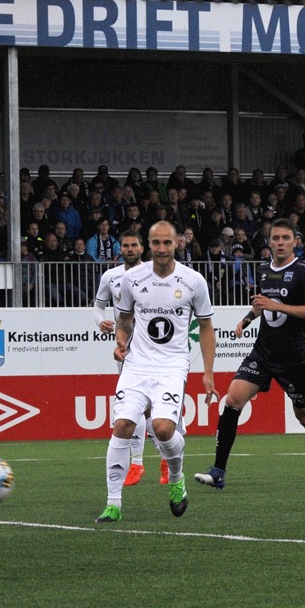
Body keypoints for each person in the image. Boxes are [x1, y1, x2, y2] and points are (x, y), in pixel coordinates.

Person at [194, 219, 305, 490]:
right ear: (269, 241)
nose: (279, 243)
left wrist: (278, 305)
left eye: (285, 238)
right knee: (232, 400)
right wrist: (247, 319)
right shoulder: (264, 270)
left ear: (294, 242)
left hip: (294, 357)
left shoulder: (304, 272)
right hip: (263, 352)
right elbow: (262, 304)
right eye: (275, 238)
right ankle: (218, 472)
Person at [95, 221, 216, 523]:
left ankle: (176, 478)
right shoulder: (131, 278)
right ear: (148, 245)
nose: (161, 249)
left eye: (167, 243)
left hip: (172, 364)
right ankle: (113, 504)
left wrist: (209, 372)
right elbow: (124, 319)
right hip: (136, 364)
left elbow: (206, 327)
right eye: (156, 243)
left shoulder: (193, 281)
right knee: (122, 425)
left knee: (162, 429)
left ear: (177, 244)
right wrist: (121, 342)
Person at [92, 229, 164, 487]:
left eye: (134, 245)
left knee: (157, 406)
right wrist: (101, 322)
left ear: (142, 248)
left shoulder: (155, 273)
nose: (130, 249)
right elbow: (98, 306)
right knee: (136, 406)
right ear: (119, 249)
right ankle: (139, 463)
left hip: (153, 349)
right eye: (125, 245)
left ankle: (161, 459)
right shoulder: (111, 276)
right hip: (125, 348)